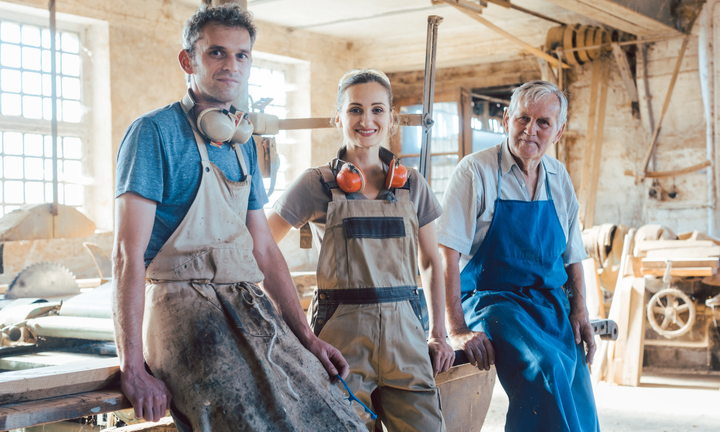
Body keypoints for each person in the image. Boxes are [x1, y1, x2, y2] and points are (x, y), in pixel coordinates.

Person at [111, 4, 365, 431]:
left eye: (241, 55)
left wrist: (306, 337)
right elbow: (126, 254)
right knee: (251, 422)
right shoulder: (153, 133)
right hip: (184, 310)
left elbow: (263, 247)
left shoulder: (241, 142)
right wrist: (131, 367)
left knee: (336, 415)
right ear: (187, 60)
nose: (231, 65)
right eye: (216, 53)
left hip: (247, 303)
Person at [267, 68, 455, 432]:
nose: (366, 120)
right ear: (338, 117)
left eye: (377, 110)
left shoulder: (412, 184)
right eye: (354, 110)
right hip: (340, 343)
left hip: (408, 341)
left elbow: (431, 261)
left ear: (392, 118)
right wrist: (289, 324)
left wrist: (439, 333)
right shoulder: (316, 183)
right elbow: (259, 246)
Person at [437, 80, 600, 431]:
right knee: (543, 367)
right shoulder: (475, 171)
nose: (531, 130)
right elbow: (446, 255)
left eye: (543, 122)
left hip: (549, 304)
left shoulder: (559, 177)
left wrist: (581, 311)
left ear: (559, 131)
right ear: (506, 118)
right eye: (523, 118)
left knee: (576, 380)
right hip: (492, 301)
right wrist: (457, 329)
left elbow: (572, 254)